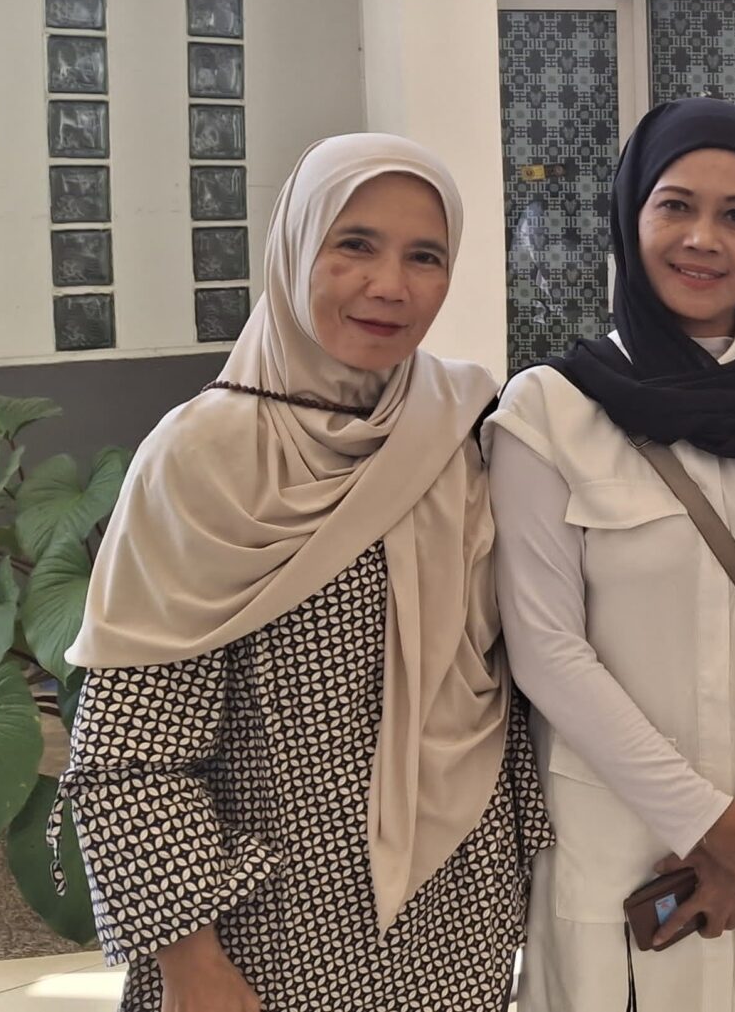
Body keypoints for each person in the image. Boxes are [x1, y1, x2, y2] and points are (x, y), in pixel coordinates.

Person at [64, 134, 541, 1012]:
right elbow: (129, 755)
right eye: (354, 244)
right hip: (267, 938)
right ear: (294, 249)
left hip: (460, 917)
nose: (390, 285)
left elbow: (509, 687)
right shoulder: (203, 456)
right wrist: (194, 968)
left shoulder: (467, 427)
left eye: (425, 256)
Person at [488, 98, 735, 1010]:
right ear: (632, 218)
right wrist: (706, 821)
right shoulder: (548, 410)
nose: (703, 238)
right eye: (675, 205)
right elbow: (546, 649)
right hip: (620, 827)